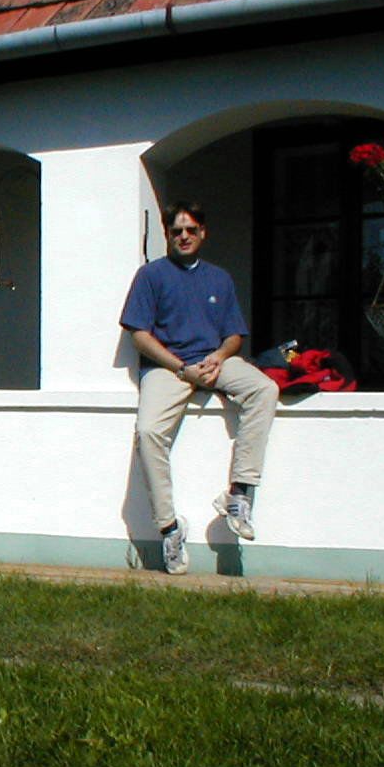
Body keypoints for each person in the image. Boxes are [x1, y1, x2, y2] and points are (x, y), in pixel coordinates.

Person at [120, 201, 278, 575]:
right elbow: (139, 335)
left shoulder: (219, 279)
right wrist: (180, 367)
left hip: (212, 362)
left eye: (191, 230)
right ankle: (169, 529)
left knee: (265, 389)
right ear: (167, 235)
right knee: (148, 432)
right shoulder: (150, 276)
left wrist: (219, 357)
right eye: (176, 231)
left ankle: (239, 494)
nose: (184, 236)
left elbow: (234, 335)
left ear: (203, 233)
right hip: (168, 367)